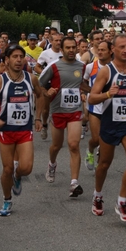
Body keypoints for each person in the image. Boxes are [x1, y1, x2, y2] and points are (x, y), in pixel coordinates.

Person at [88, 33, 126, 221]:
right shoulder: (106, 71)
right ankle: (97, 195)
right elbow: (91, 97)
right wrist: (108, 94)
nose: (125, 50)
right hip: (110, 123)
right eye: (121, 47)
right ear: (113, 49)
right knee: (104, 164)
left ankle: (122, 200)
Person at [0, 45, 44, 216]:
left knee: (26, 168)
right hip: (6, 129)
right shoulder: (0, 81)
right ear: (7, 60)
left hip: (25, 129)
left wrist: (38, 117)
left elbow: (40, 96)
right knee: (7, 169)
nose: (19, 60)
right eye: (15, 56)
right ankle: (7, 199)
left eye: (21, 56)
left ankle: (18, 177)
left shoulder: (31, 79)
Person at [39, 37, 86, 197]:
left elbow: (82, 84)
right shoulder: (54, 66)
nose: (71, 50)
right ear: (62, 49)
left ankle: (74, 183)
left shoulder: (82, 66)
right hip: (58, 110)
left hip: (75, 110)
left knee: (73, 145)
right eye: (68, 47)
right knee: (56, 146)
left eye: (74, 47)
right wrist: (47, 92)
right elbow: (40, 84)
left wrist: (93, 91)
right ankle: (52, 164)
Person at [82, 40, 113, 171]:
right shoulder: (91, 67)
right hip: (95, 106)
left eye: (103, 50)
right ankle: (90, 150)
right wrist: (92, 92)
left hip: (110, 107)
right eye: (98, 50)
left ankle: (100, 167)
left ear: (110, 51)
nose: (99, 52)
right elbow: (82, 82)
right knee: (96, 139)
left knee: (105, 140)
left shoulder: (115, 67)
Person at [34, 34, 62, 140]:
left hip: (60, 83)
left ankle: (58, 129)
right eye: (56, 40)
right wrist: (46, 73)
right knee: (46, 109)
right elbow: (37, 67)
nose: (59, 42)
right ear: (51, 41)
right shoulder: (45, 53)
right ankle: (45, 125)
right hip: (48, 83)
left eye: (60, 40)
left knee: (60, 107)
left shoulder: (64, 53)